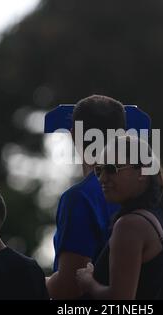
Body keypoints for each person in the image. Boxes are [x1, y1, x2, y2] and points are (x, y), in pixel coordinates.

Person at [76, 136, 163, 299]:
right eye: (99, 170)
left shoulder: (130, 225)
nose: (102, 178)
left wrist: (88, 283)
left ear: (142, 172)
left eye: (112, 169)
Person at [46, 95, 124, 299]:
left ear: (73, 135)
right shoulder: (149, 194)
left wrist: (23, 281)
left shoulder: (81, 198)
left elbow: (69, 287)